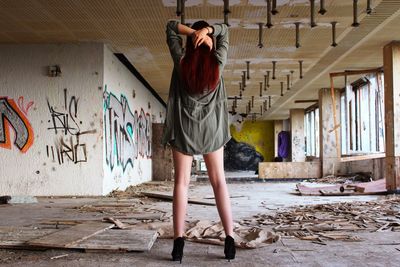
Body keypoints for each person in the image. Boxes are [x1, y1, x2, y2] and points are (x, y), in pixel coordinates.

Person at [162, 19, 235, 262]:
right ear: (210, 43)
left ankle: (178, 243)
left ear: (191, 44)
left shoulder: (181, 61)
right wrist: (208, 31)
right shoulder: (218, 62)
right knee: (219, 183)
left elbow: (171, 27)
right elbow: (226, 31)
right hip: (212, 132)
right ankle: (230, 239)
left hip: (184, 130)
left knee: (181, 184)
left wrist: (193, 33)